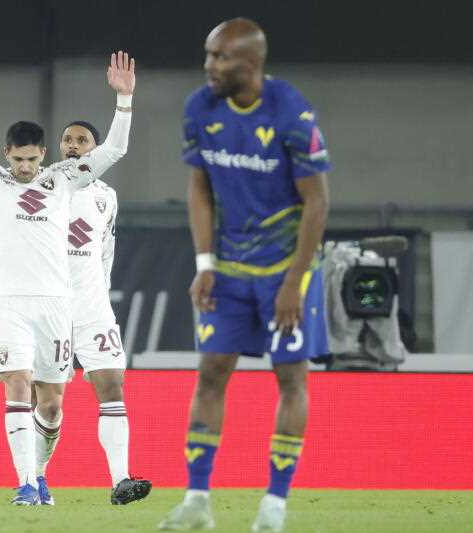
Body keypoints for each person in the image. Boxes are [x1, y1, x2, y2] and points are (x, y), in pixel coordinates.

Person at [0, 52, 135, 505]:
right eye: (18, 159)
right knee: (17, 384)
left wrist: (124, 101)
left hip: (57, 304)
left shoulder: (63, 180)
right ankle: (26, 483)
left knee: (53, 404)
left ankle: (40, 476)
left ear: (43, 154)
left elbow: (114, 150)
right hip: (8, 303)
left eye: (31, 159)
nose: (24, 167)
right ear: (6, 154)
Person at [158, 18, 330, 532]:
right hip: (229, 270)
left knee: (290, 378)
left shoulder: (291, 112)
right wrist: (204, 263)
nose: (209, 66)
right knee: (211, 372)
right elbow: (199, 188)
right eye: (208, 55)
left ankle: (274, 507)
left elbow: (317, 202)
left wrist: (294, 282)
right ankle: (196, 502)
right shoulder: (200, 108)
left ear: (251, 64)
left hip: (283, 269)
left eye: (221, 57)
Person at [30, 120, 152, 505]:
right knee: (49, 405)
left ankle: (121, 480)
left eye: (82, 140)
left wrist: (101, 293)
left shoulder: (107, 197)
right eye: (67, 139)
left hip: (92, 306)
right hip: (50, 307)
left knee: (112, 384)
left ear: (95, 150)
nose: (72, 145)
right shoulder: (40, 185)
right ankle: (35, 478)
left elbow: (105, 251)